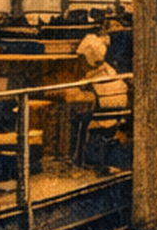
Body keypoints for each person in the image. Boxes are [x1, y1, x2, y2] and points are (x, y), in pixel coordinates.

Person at [53, 31, 128, 169]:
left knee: (67, 114)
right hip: (115, 120)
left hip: (99, 120)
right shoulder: (112, 72)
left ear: (87, 58)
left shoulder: (93, 78)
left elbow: (76, 98)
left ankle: (70, 159)